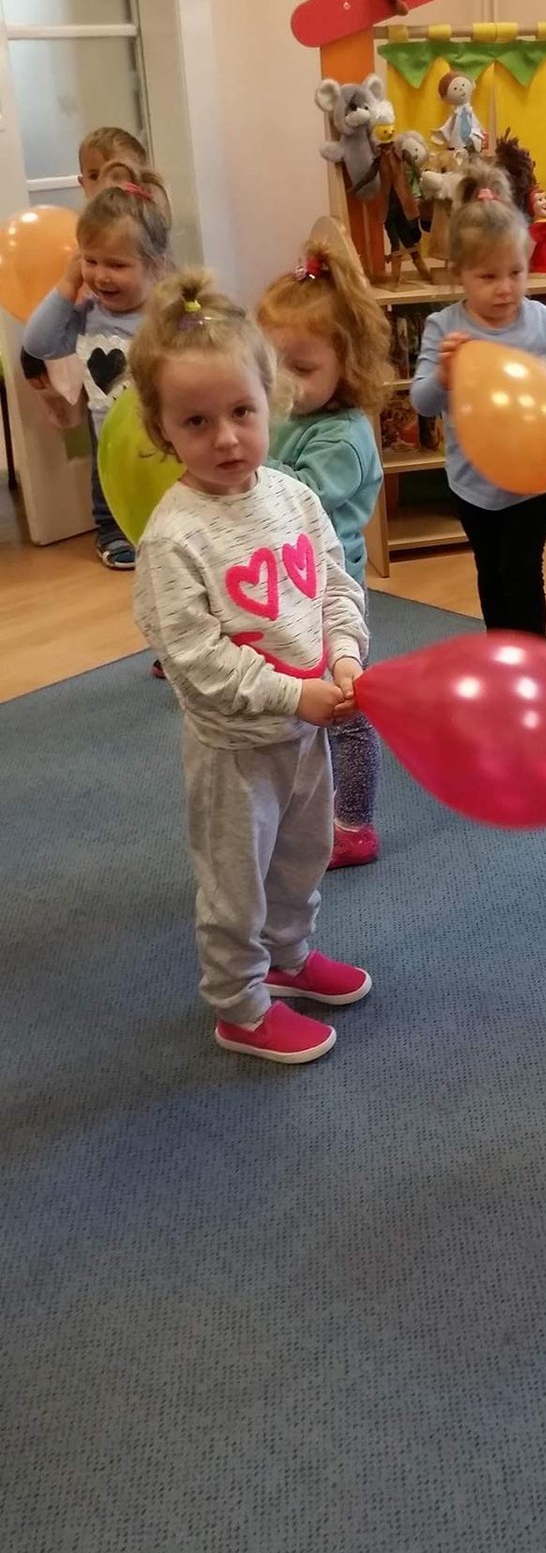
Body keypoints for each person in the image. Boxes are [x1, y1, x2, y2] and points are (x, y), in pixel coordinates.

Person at [130, 269, 373, 1065]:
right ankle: (239, 1005)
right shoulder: (174, 538)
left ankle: (289, 959)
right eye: (197, 422)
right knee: (236, 881)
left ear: (272, 401)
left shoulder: (293, 497)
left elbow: (334, 584)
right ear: (163, 429)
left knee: (302, 857)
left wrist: (345, 656)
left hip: (304, 733)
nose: (227, 438)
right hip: (236, 753)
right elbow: (196, 661)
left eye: (242, 412)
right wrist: (293, 695)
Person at [258, 232, 391, 870]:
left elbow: (293, 500)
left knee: (345, 709)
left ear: (349, 364)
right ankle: (306, 803)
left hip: (331, 599)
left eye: (302, 369)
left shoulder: (342, 436)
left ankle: (354, 824)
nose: (283, 384)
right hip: (285, 589)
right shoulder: (285, 417)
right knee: (298, 703)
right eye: (271, 365)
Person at [410, 161, 546, 635]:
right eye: (488, 276)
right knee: (490, 571)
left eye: (516, 272)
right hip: (472, 484)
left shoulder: (543, 322)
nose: (505, 287)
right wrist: (444, 375)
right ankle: (500, 654)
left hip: (532, 483)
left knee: (523, 573)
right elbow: (422, 403)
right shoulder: (443, 327)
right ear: (460, 274)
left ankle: (530, 660)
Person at [22, 162, 171, 569]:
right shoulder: (86, 315)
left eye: (117, 265)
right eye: (91, 260)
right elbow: (38, 342)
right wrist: (68, 283)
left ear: (156, 266)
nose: (101, 276)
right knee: (105, 483)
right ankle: (110, 531)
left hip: (162, 434)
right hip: (107, 433)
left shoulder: (165, 315)